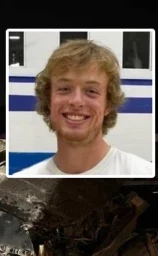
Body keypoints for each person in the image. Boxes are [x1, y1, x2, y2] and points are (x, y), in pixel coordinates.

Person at [13, 39, 154, 177]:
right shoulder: (23, 180)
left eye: (91, 91)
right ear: (49, 100)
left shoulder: (142, 173)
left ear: (108, 104)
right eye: (64, 88)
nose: (76, 101)